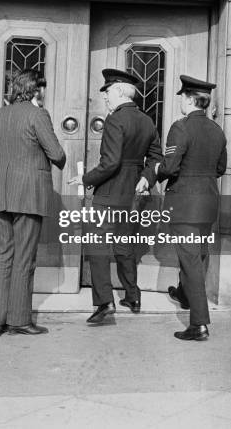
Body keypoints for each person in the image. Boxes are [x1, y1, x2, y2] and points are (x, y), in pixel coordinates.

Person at [69, 68, 163, 324]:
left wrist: (86, 179)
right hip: (133, 194)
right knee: (124, 246)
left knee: (97, 246)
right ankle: (133, 296)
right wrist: (147, 178)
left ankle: (104, 302)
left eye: (108, 92)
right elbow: (156, 158)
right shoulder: (147, 121)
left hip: (110, 192)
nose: (106, 97)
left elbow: (110, 163)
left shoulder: (115, 120)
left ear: (121, 91)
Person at [0, 69, 66, 337]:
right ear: (35, 89)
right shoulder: (37, 114)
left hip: (2, 195)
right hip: (29, 195)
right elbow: (57, 154)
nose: (44, 94)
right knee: (24, 259)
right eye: (43, 88)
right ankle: (19, 320)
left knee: (3, 257)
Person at [148, 75, 227, 341]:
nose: (180, 101)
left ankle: (199, 324)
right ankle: (184, 294)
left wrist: (157, 168)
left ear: (191, 99)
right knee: (197, 255)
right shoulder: (217, 130)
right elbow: (220, 169)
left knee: (190, 259)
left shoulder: (180, 127)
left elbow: (170, 167)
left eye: (182, 96)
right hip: (207, 202)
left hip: (185, 204)